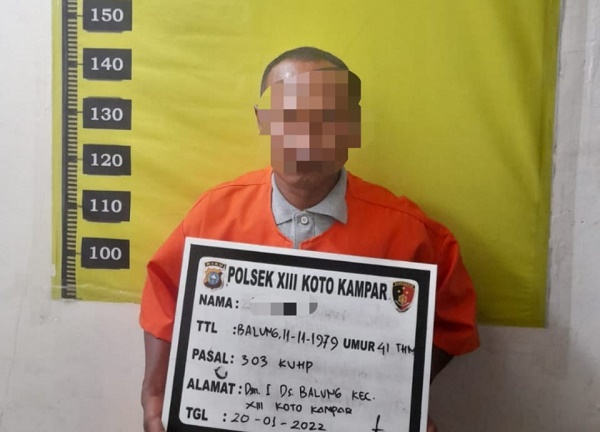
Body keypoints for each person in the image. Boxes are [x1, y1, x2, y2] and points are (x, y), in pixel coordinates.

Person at [140, 46, 479, 432]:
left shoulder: (409, 233)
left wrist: (398, 394)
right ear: (263, 120)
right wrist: (154, 390)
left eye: (326, 116)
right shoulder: (212, 216)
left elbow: (453, 320)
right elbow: (163, 293)